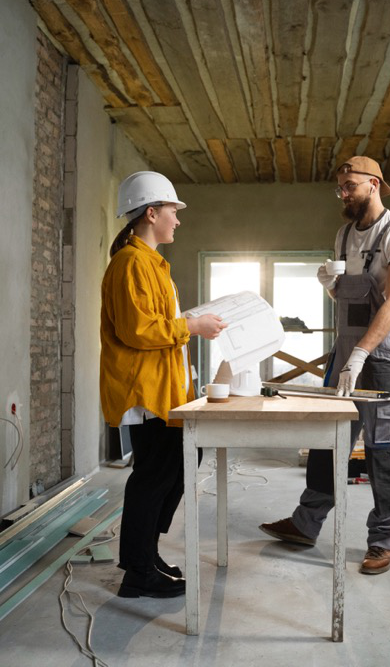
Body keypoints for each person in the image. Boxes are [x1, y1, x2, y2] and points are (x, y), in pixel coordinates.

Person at [260, 156, 390, 575]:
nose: (343, 194)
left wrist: (363, 353)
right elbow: (349, 303)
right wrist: (331, 287)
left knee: (384, 451)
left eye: (350, 186)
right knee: (328, 441)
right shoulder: (344, 233)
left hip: (381, 356)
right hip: (346, 351)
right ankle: (305, 523)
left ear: (374, 183)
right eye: (340, 188)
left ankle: (383, 541)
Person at [100, 171, 227, 598]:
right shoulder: (131, 262)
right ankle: (137, 572)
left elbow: (156, 322)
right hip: (146, 391)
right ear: (151, 213)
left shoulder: (152, 264)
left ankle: (146, 555)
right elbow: (137, 329)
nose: (177, 219)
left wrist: (189, 323)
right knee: (154, 475)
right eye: (173, 211)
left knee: (178, 465)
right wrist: (191, 325)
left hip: (164, 388)